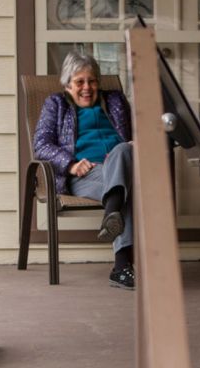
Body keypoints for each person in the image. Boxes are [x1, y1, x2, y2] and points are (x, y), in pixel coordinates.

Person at [32, 51, 136, 289]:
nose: (87, 87)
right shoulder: (55, 104)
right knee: (128, 188)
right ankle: (121, 266)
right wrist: (70, 164)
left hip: (120, 164)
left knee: (121, 151)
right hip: (85, 175)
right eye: (80, 82)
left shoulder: (115, 100)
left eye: (92, 81)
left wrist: (134, 143)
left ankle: (113, 211)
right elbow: (41, 145)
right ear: (68, 85)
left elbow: (137, 132)